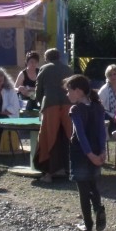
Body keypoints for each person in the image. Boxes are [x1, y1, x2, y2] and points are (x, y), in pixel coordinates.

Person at [64, 74, 107, 231]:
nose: (67, 94)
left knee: (83, 190)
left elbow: (80, 135)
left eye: (69, 90)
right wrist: (101, 151)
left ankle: (88, 224)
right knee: (94, 186)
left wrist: (89, 154)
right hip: (97, 151)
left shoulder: (75, 110)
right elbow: (102, 131)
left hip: (81, 154)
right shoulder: (98, 107)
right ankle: (99, 209)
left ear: (79, 91)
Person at [34, 49, 73, 182]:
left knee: (48, 137)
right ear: (59, 56)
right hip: (68, 104)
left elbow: (38, 90)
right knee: (70, 136)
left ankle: (48, 173)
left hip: (50, 104)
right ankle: (71, 169)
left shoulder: (44, 69)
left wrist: (40, 102)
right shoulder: (68, 69)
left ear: (46, 58)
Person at [97, 64, 116, 137]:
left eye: (114, 74)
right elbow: (100, 107)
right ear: (107, 77)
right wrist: (113, 116)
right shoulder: (103, 90)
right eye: (110, 75)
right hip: (110, 118)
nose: (113, 76)